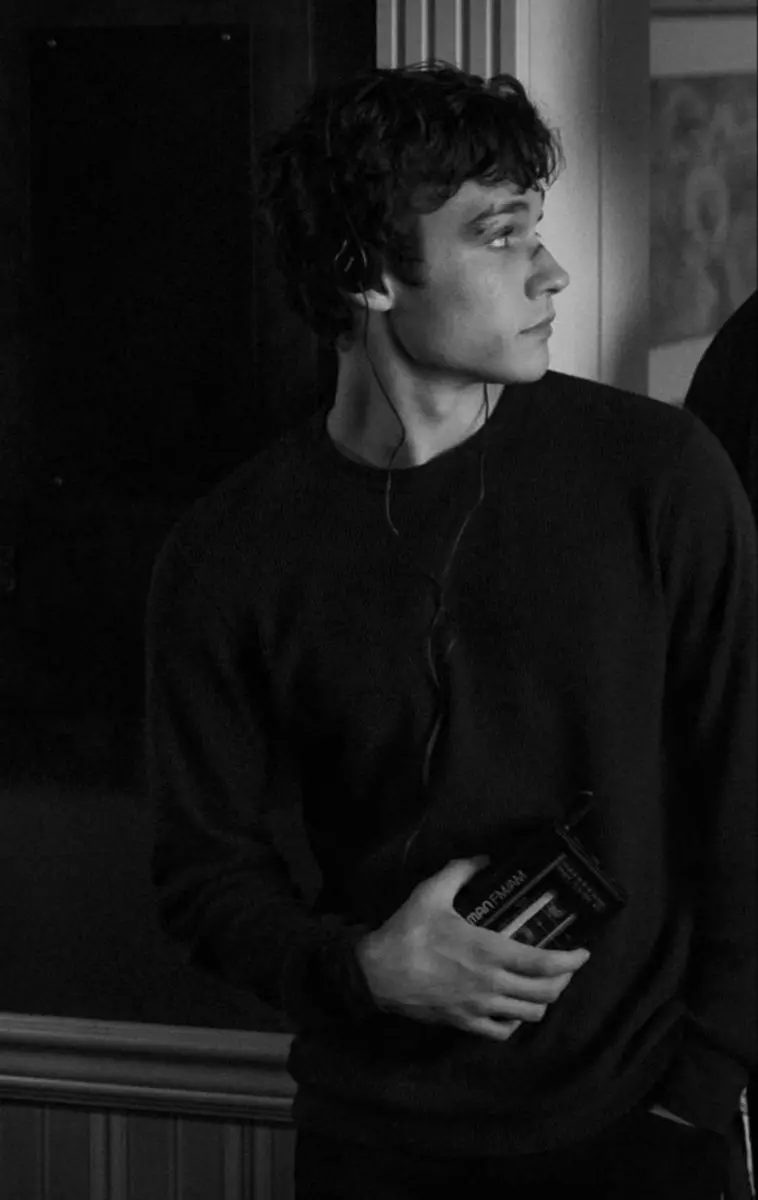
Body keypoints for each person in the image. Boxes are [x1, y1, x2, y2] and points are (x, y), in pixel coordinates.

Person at [146, 64, 756, 1200]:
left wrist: (700, 1092)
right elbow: (201, 870)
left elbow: (742, 792)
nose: (550, 270)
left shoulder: (658, 476)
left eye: (537, 226)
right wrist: (363, 970)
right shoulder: (229, 553)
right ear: (365, 271)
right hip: (374, 1143)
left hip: (642, 1125)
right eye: (499, 234)